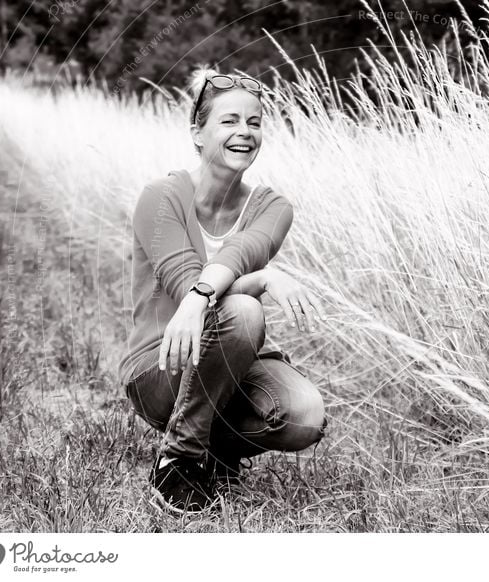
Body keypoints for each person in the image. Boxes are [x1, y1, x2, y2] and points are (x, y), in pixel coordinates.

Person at [117, 67, 328, 515]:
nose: (244, 132)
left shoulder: (272, 207)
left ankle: (214, 451)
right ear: (197, 133)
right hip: (159, 366)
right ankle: (179, 459)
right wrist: (258, 282)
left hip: (226, 357)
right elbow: (185, 282)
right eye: (229, 121)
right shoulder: (161, 197)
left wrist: (227, 286)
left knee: (305, 415)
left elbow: (240, 252)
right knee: (245, 310)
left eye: (254, 122)